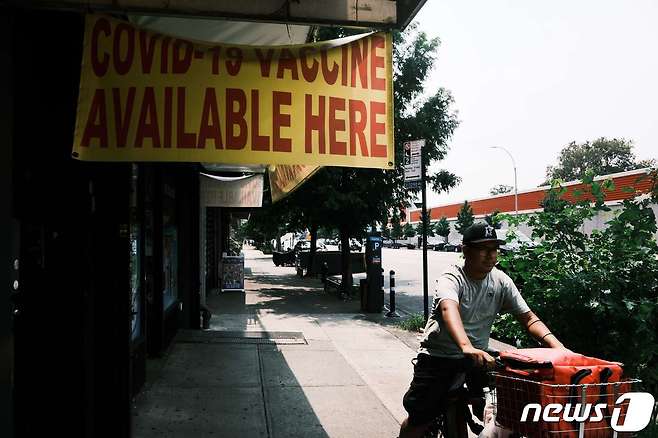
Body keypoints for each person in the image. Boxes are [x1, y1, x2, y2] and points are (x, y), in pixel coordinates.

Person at [399, 223, 564, 438]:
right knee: (420, 418)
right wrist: (466, 347)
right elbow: (449, 308)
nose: (490, 255)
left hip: (480, 356)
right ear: (465, 251)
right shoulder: (452, 278)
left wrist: (560, 349)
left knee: (498, 409)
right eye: (482, 249)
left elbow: (529, 318)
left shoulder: (501, 281)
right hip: (439, 356)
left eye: (494, 249)